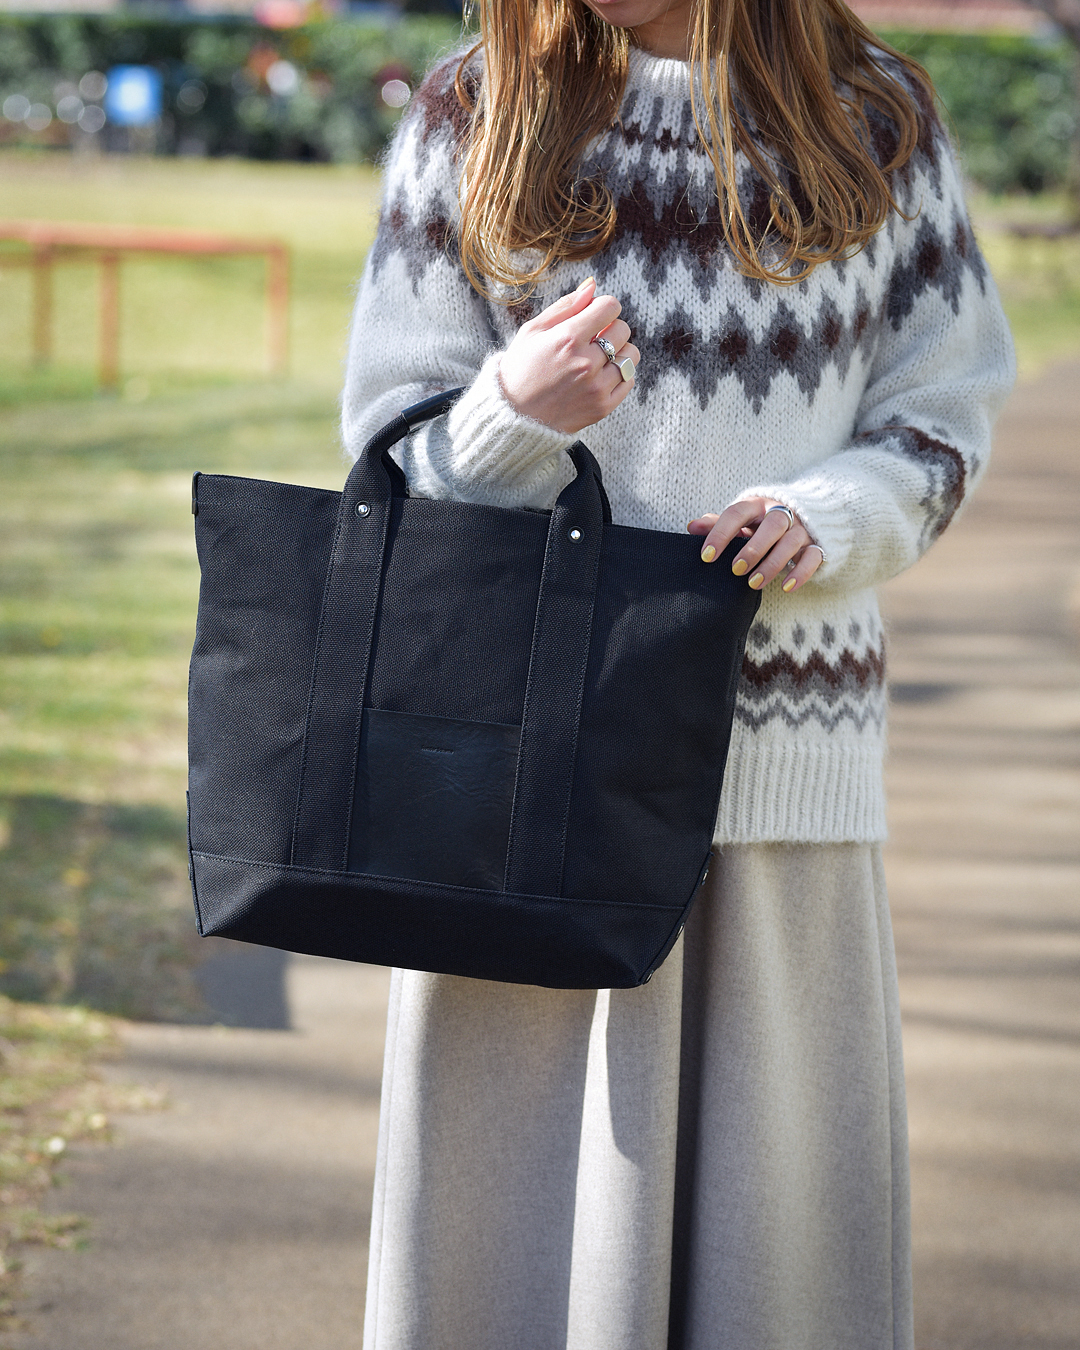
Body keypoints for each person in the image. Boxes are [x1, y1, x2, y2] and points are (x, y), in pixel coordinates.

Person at [341, 0, 1014, 1344]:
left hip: (775, 777)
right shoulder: (474, 112)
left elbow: (941, 423)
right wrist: (504, 419)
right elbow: (388, 452)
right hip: (528, 786)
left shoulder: (874, 120)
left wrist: (835, 513)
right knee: (507, 1258)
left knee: (775, 1254)